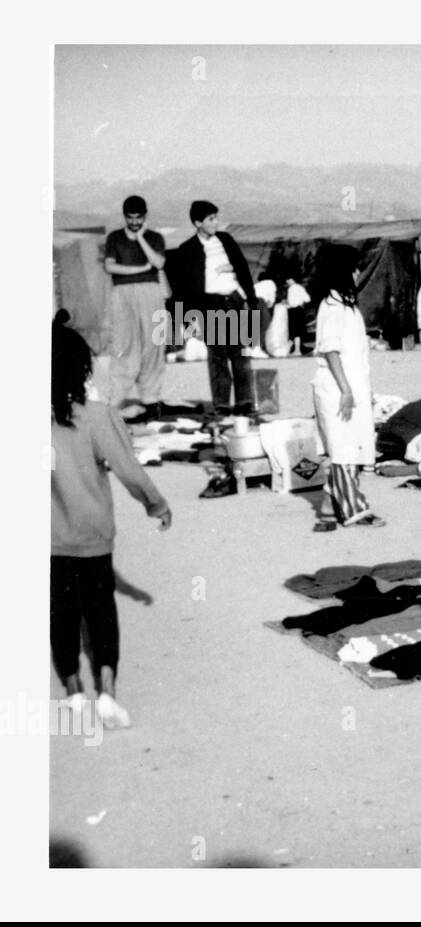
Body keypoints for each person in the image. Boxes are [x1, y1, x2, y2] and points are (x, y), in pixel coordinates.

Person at [50, 311, 172, 729]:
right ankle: (107, 692)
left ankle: (73, 693)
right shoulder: (97, 416)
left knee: (61, 613)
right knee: (100, 611)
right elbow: (128, 468)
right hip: (95, 535)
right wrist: (155, 504)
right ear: (81, 368)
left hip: (48, 541)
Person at [311, 244, 383, 529]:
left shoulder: (346, 304)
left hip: (352, 386)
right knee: (343, 450)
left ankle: (330, 503)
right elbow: (330, 351)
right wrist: (346, 390)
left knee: (353, 445)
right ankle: (355, 509)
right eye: (353, 268)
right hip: (336, 388)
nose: (356, 273)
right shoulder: (332, 306)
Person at [165, 200, 260, 416]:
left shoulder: (226, 239)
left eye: (216, 217)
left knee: (241, 354)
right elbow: (183, 287)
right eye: (211, 219)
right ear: (198, 223)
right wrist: (188, 318)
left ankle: (245, 402)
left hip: (234, 300)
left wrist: (250, 298)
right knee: (218, 356)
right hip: (211, 304)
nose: (216, 222)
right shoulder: (187, 249)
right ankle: (222, 405)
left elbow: (243, 267)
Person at [103, 195, 168, 420]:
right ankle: (117, 400)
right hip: (122, 294)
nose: (134, 222)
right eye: (130, 218)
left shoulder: (154, 237)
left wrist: (140, 238)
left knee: (154, 344)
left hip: (151, 292)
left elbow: (159, 263)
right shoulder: (115, 237)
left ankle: (151, 399)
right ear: (125, 217)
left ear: (145, 217)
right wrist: (140, 268)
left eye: (138, 218)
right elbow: (109, 266)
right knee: (124, 344)